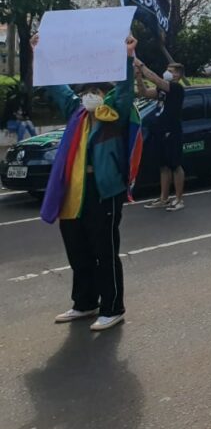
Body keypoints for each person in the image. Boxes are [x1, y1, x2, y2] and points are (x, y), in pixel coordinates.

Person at [35, 33, 138, 332]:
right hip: (73, 192)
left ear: (107, 92)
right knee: (77, 249)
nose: (90, 94)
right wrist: (41, 54)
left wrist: (128, 57)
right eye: (87, 90)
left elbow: (127, 90)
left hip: (103, 191)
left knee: (104, 252)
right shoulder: (76, 112)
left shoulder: (115, 114)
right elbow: (57, 88)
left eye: (97, 90)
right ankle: (84, 302)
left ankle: (113, 307)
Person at [134, 60, 186, 211]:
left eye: (172, 71)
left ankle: (179, 199)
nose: (168, 72)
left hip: (173, 132)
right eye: (167, 69)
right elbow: (144, 92)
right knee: (163, 166)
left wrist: (141, 65)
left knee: (175, 165)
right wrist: (138, 77)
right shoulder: (163, 89)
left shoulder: (176, 88)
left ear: (179, 75)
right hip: (160, 131)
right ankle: (164, 198)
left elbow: (154, 78)